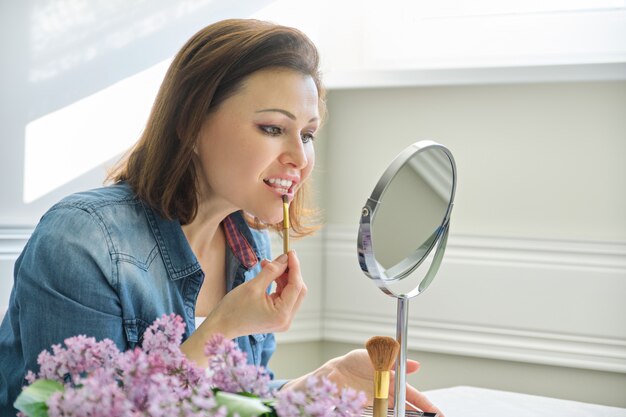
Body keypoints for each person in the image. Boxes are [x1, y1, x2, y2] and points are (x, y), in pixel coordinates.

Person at [0, 19, 442, 417]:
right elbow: (83, 411)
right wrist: (222, 328)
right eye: (272, 128)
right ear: (191, 124)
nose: (299, 158)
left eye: (307, 134)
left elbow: (228, 403)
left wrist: (320, 386)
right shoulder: (82, 242)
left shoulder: (249, 249)